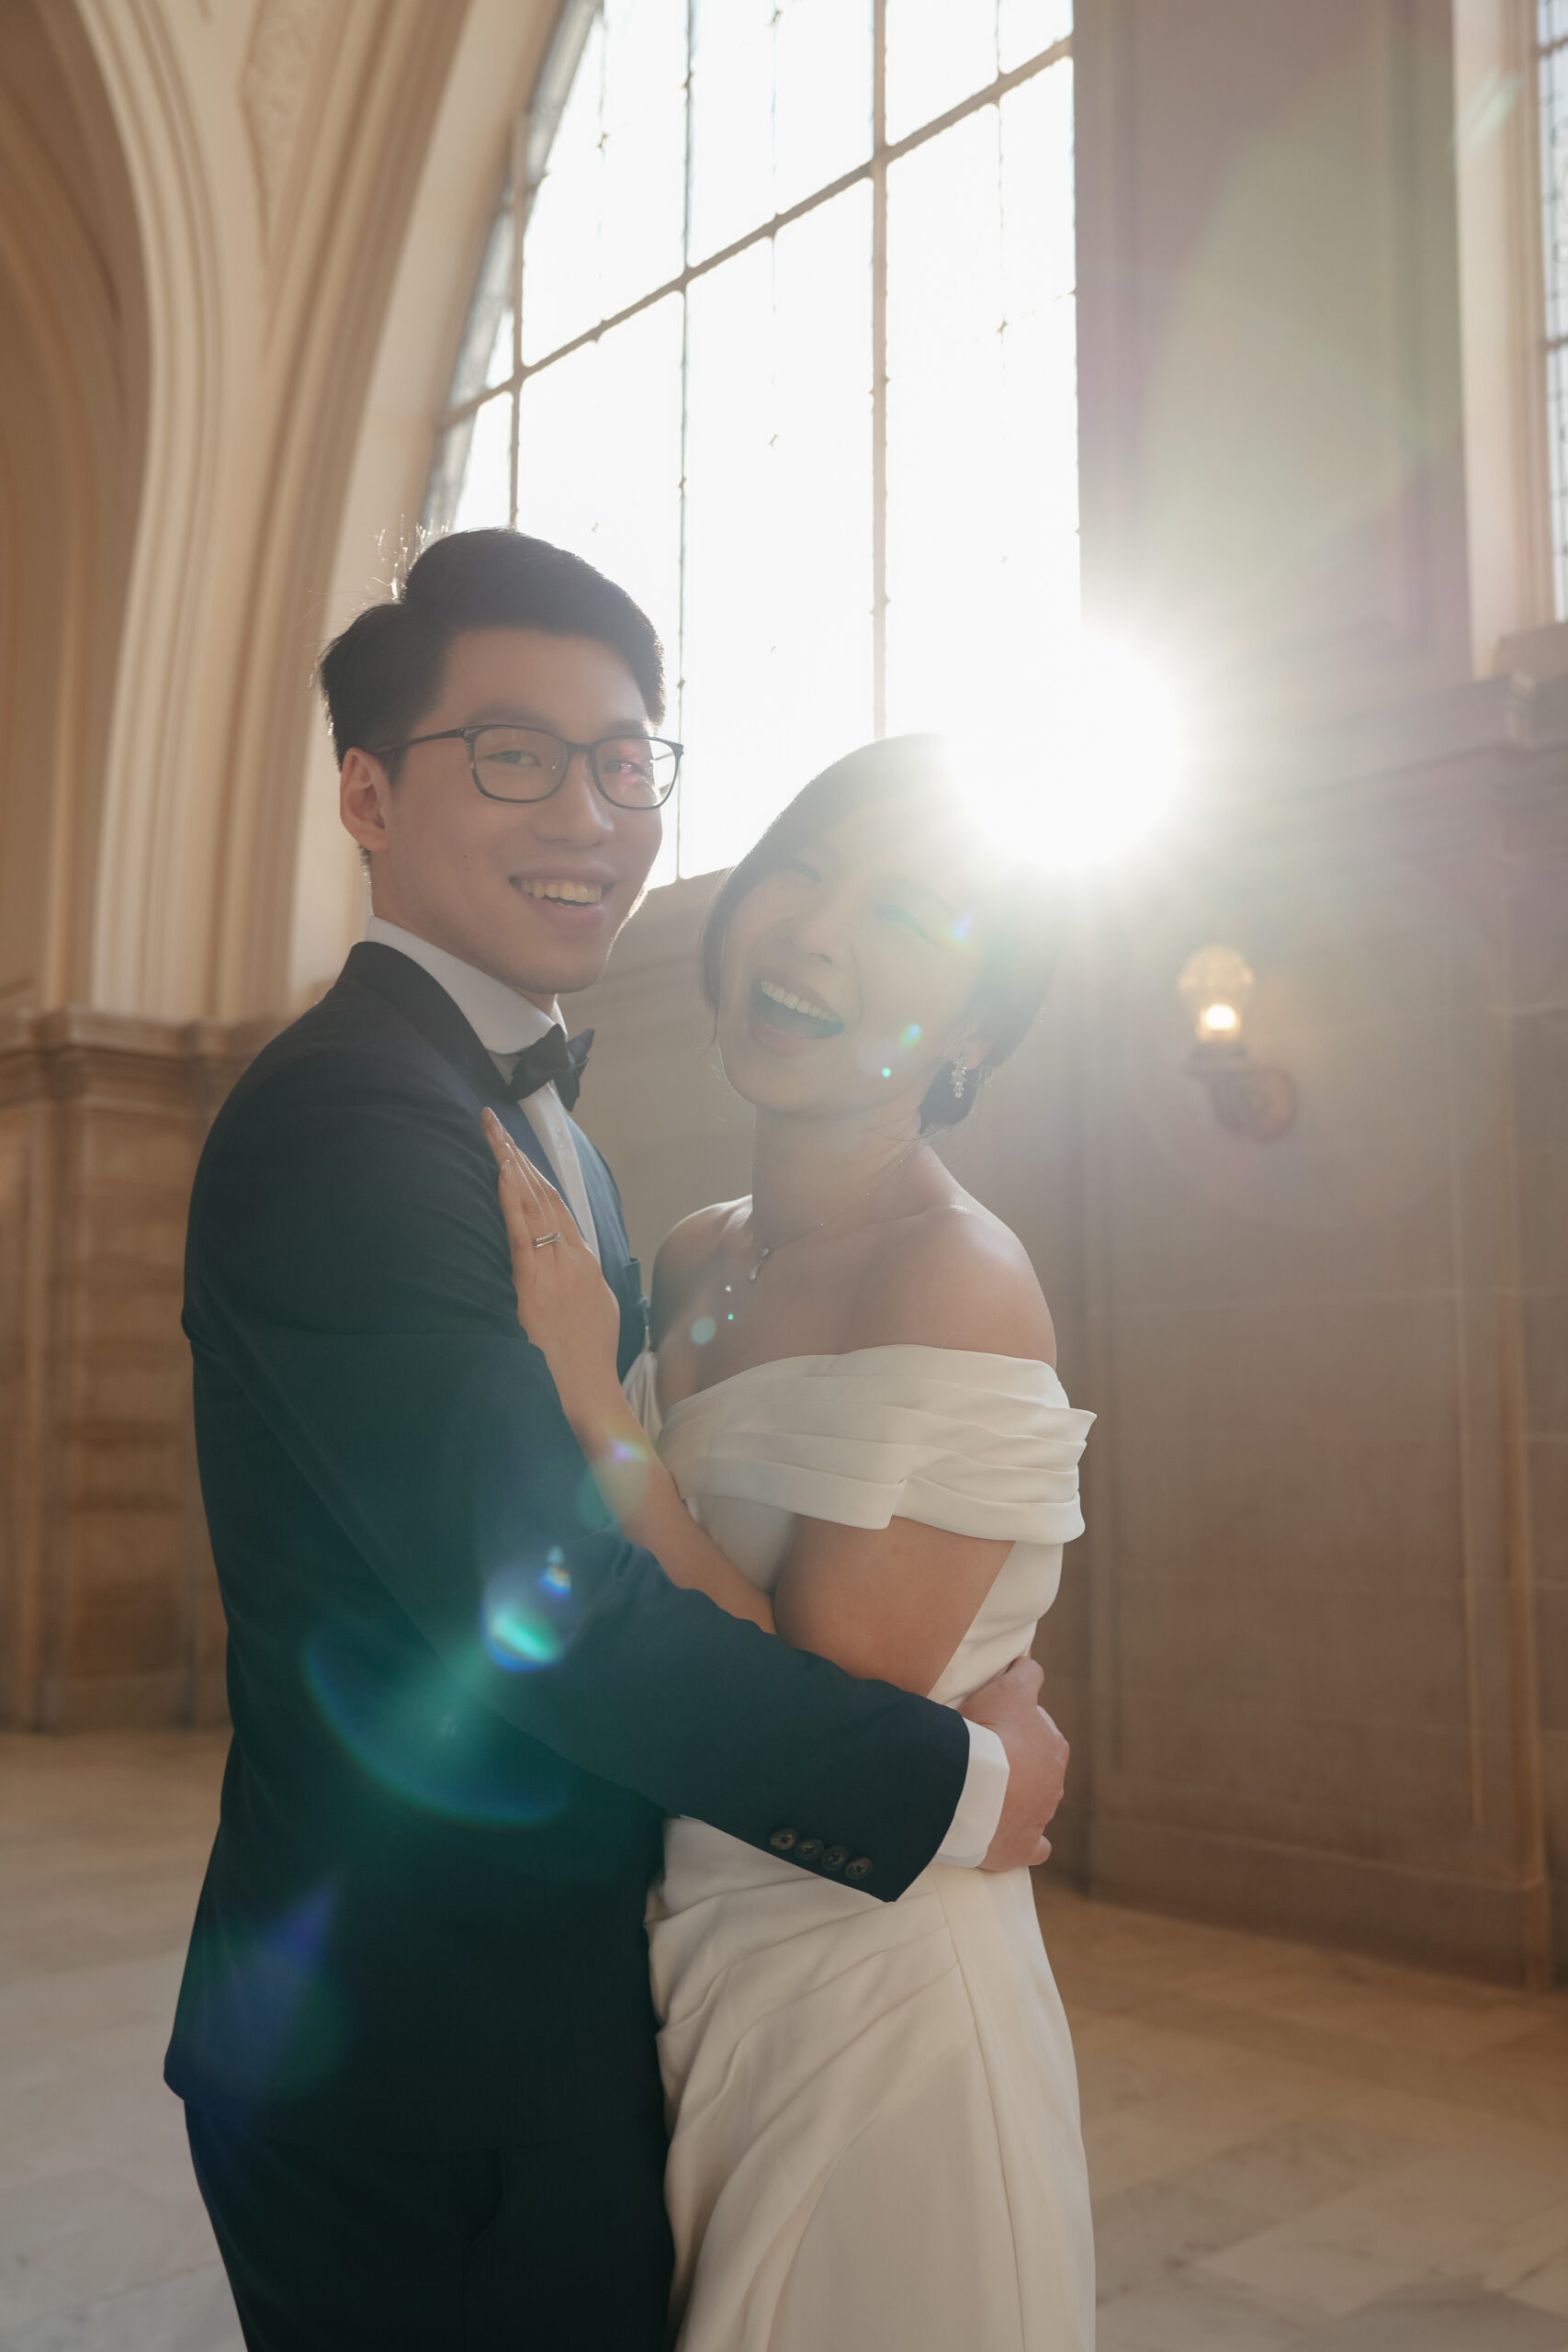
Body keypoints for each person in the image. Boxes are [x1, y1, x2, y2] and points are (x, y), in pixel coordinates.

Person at [166, 528, 1070, 2351]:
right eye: (509, 754)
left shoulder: (553, 1143)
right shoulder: (359, 1118)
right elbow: (547, 1607)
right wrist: (965, 1783)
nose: (584, 809)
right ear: (365, 789)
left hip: (621, 1995)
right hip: (421, 2050)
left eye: (622, 759)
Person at [485, 731, 1096, 2350]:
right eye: (805, 869)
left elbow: (812, 1722)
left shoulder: (957, 1279)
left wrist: (592, 1407)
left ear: (972, 1022)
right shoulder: (691, 1253)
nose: (816, 930)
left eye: (904, 910)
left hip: (873, 1999)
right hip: (688, 1966)